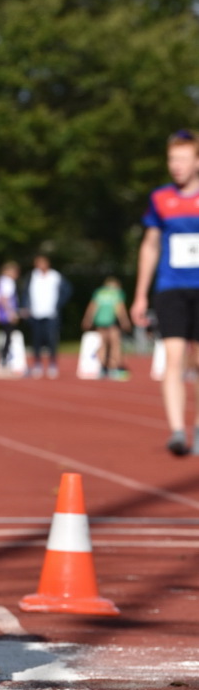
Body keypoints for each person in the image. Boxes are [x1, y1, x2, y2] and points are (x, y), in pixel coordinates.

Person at [131, 129, 199, 456]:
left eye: (183, 159)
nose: (177, 165)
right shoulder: (160, 198)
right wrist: (140, 294)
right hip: (171, 288)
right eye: (172, 159)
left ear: (197, 161)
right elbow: (151, 245)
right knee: (174, 358)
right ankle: (176, 430)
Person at [20, 254, 72, 379]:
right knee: (36, 340)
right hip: (35, 313)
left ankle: (52, 364)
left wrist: (59, 304)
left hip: (51, 313)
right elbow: (25, 293)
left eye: (42, 263)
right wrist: (26, 307)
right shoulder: (31, 276)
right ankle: (37, 364)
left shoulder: (55, 276)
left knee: (51, 340)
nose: (40, 266)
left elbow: (67, 290)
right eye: (37, 263)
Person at [82, 277, 132, 379]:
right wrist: (125, 321)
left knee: (102, 345)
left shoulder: (99, 293)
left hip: (100, 322)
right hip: (111, 322)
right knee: (115, 345)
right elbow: (120, 309)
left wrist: (87, 319)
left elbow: (92, 307)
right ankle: (115, 368)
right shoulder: (117, 293)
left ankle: (103, 368)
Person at [0, 262, 20, 375]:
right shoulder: (8, 281)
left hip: (1, 314)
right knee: (7, 338)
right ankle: (4, 362)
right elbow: (4, 299)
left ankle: (1, 362)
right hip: (6, 315)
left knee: (3, 338)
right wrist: (11, 313)